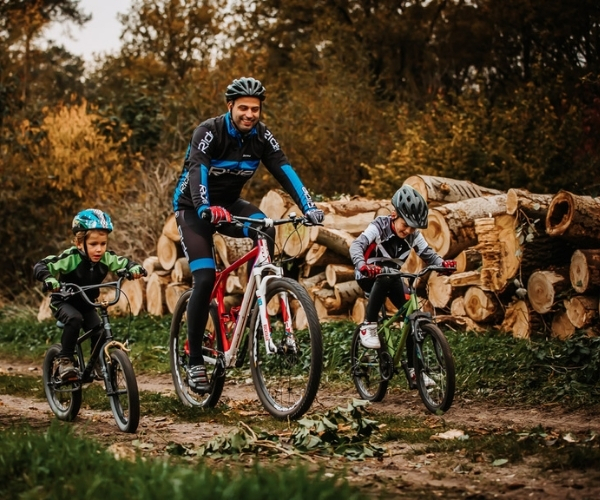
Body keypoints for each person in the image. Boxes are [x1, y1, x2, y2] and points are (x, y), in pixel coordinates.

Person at [171, 76, 324, 394]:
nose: (250, 114)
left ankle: (251, 306)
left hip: (229, 205)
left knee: (265, 227)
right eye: (243, 108)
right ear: (230, 106)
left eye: (255, 109)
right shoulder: (208, 132)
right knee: (205, 278)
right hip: (193, 209)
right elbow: (198, 169)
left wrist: (308, 206)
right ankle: (195, 360)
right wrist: (204, 207)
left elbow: (284, 169)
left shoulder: (262, 136)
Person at [349, 186, 455, 384]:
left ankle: (415, 371)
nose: (408, 231)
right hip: (367, 274)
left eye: (413, 228)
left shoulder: (414, 235)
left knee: (412, 317)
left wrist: (442, 265)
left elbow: (428, 254)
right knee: (386, 276)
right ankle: (368, 326)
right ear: (394, 215)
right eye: (405, 225)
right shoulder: (379, 226)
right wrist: (362, 264)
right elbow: (357, 245)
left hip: (393, 276)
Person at [33, 209, 145, 381]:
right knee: (74, 319)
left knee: (100, 330)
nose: (99, 249)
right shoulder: (70, 258)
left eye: (103, 243)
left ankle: (98, 363)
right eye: (93, 244)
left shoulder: (105, 258)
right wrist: (49, 279)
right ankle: (65, 360)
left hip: (87, 304)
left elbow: (123, 262)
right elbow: (41, 265)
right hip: (63, 302)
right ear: (79, 243)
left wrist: (134, 268)